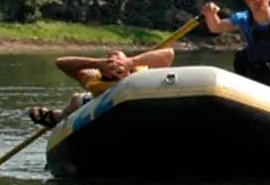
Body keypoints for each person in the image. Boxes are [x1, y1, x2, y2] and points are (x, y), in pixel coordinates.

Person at [25, 45, 177, 127]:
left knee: (77, 99)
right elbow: (61, 63)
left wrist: (131, 62)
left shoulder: (142, 72)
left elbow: (168, 54)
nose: (114, 56)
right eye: (110, 60)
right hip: (101, 107)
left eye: (117, 59)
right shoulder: (94, 77)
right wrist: (97, 63)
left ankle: (59, 116)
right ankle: (59, 117)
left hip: (137, 110)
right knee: (77, 100)